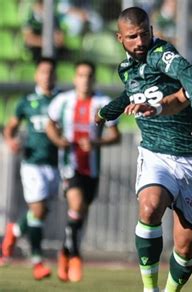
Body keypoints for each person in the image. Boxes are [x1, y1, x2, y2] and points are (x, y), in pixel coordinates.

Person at [94, 7, 192, 292]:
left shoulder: (161, 54)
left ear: (152, 30)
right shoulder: (125, 69)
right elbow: (133, 93)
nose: (140, 41)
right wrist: (106, 112)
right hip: (155, 154)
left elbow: (187, 71)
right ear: (119, 38)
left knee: (186, 247)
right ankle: (149, 289)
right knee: (150, 208)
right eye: (132, 36)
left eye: (145, 33)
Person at [45, 60, 121, 282]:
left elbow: (115, 135)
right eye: (81, 75)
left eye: (89, 76)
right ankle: (76, 257)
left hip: (92, 167)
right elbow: (50, 123)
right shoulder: (63, 101)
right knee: (76, 206)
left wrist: (96, 143)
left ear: (94, 79)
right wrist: (58, 140)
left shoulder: (102, 102)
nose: (85, 79)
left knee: (80, 215)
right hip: (70, 165)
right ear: (74, 78)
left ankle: (65, 252)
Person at [0, 57, 60, 280]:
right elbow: (11, 127)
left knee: (41, 211)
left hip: (55, 164)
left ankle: (13, 232)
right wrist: (11, 140)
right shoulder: (27, 102)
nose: (47, 76)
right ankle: (37, 261)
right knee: (37, 210)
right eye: (43, 72)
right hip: (32, 162)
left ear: (55, 76)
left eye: (51, 72)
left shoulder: (61, 100)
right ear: (37, 75)